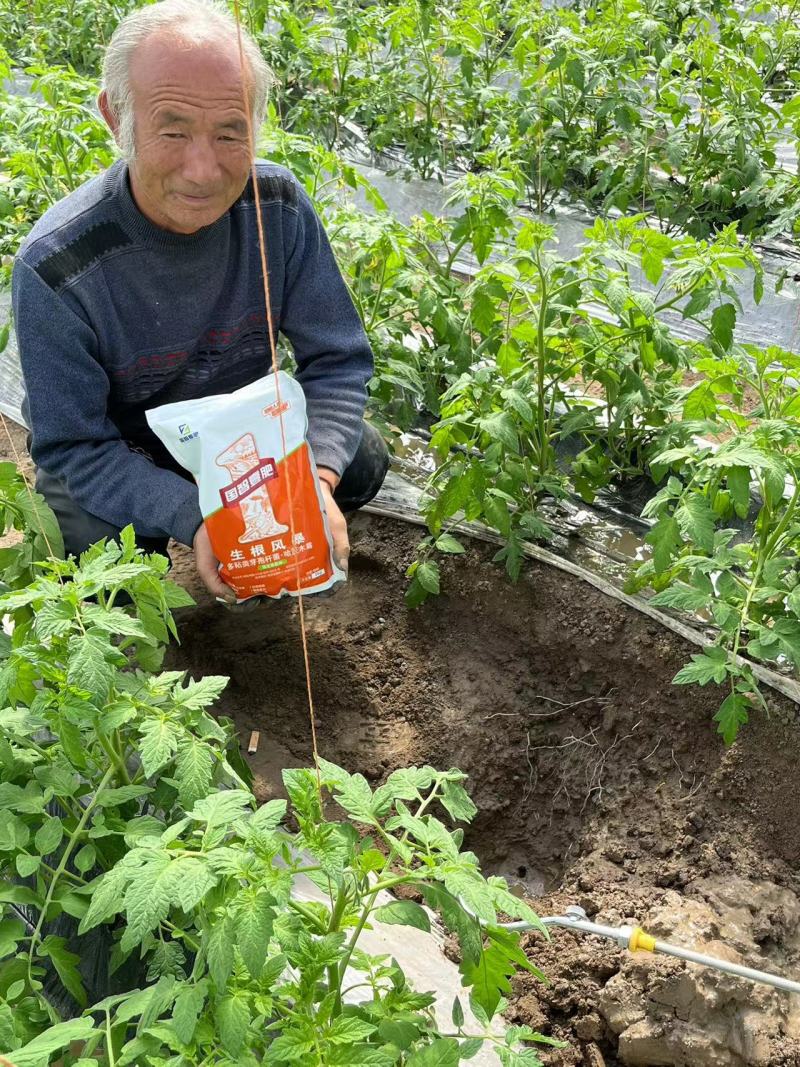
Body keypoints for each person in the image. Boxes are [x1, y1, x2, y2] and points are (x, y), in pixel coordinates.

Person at [12, 0, 388, 602]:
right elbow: (74, 444)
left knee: (359, 458)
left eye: (230, 133)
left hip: (240, 440)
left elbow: (339, 360)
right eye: (173, 130)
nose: (203, 169)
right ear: (117, 118)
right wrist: (197, 516)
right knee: (94, 554)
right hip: (122, 448)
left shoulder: (278, 210)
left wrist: (313, 475)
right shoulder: (60, 265)